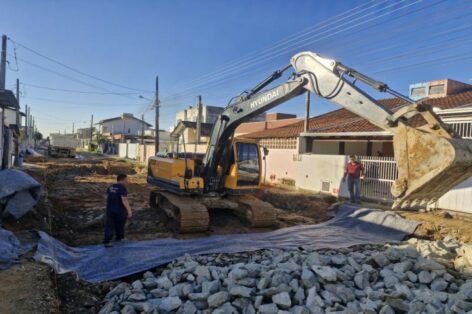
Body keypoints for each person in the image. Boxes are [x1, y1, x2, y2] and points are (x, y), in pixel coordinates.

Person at [104, 174, 133, 247]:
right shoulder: (122, 188)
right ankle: (119, 238)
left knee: (109, 225)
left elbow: (108, 197)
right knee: (120, 225)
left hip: (110, 209)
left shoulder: (111, 187)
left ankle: (107, 241)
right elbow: (124, 200)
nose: (127, 181)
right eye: (127, 180)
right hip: (119, 210)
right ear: (122, 180)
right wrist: (129, 210)